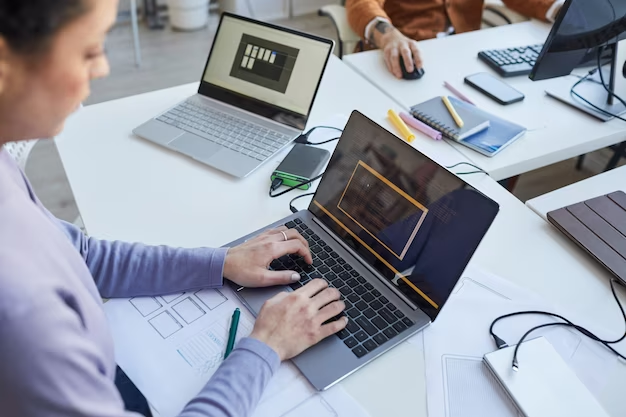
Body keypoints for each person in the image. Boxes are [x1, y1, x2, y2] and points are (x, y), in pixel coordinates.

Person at [0, 1, 347, 416]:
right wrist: (266, 346)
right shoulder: (22, 315)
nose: (103, 68)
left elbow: (85, 254)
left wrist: (222, 262)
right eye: (89, 51)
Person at [346, 0, 564, 78]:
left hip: (463, 55)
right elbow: (360, 3)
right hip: (406, 56)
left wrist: (558, 10)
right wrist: (388, 36)